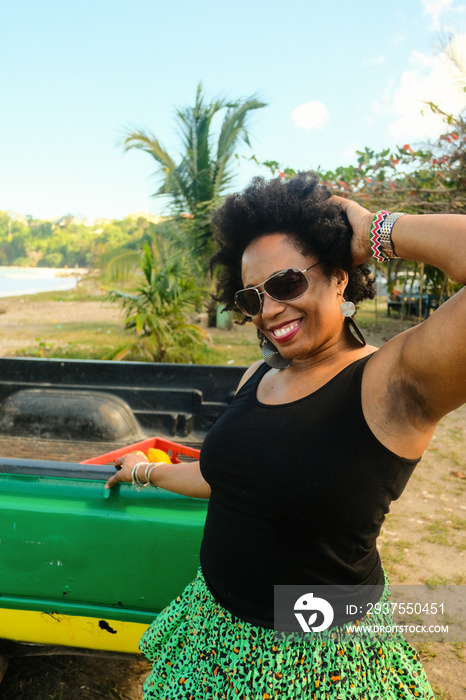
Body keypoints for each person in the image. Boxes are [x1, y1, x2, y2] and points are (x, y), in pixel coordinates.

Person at [105, 172, 466, 699]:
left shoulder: (395, 383)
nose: (269, 309)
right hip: (216, 630)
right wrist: (144, 470)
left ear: (341, 277)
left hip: (321, 652)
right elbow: (224, 477)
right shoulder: (259, 376)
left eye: (287, 283)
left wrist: (371, 231)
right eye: (252, 297)